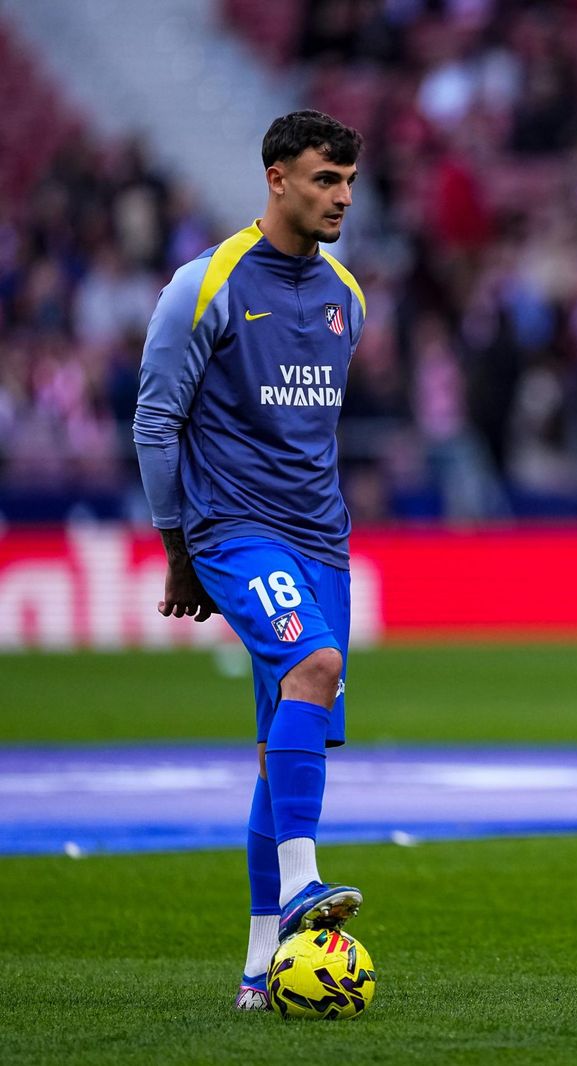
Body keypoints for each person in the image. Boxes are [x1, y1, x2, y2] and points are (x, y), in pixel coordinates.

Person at [133, 110, 368, 1011]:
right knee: (314, 663)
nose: (342, 197)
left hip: (323, 542)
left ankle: (257, 968)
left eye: (349, 181)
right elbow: (158, 420)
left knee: (283, 751)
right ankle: (306, 885)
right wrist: (179, 545)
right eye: (323, 180)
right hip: (235, 528)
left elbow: (315, 430)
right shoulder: (206, 286)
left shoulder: (347, 292)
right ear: (276, 178)